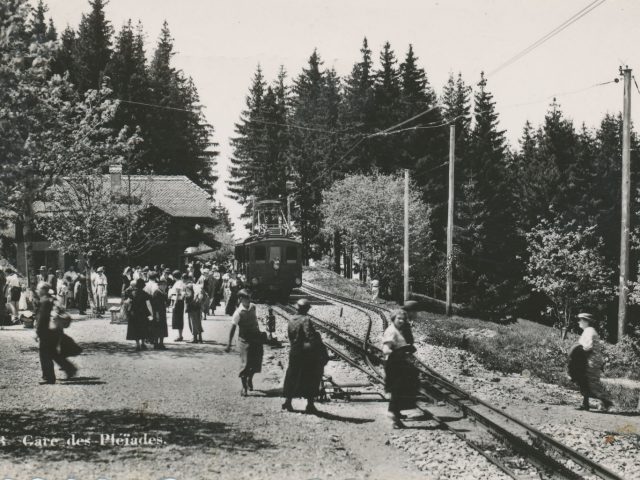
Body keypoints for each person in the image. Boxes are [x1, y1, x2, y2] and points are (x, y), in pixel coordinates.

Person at [282, 298, 328, 414]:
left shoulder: (291, 318)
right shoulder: (306, 320)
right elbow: (310, 336)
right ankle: (310, 404)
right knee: (311, 377)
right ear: (306, 309)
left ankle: (288, 401)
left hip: (294, 350)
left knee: (292, 376)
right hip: (305, 353)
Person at [382, 309, 419, 428]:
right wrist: (400, 352)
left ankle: (395, 414)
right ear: (393, 318)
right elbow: (385, 349)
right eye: (399, 318)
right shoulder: (391, 331)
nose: (402, 321)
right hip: (394, 364)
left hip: (399, 363)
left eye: (403, 319)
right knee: (397, 389)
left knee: (401, 389)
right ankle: (392, 413)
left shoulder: (398, 330)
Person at [35, 283, 77, 384]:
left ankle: (49, 377)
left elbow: (42, 319)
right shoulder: (53, 299)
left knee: (44, 354)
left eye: (38, 289)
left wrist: (37, 332)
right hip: (56, 330)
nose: (37, 291)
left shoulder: (44, 301)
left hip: (47, 331)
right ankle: (70, 369)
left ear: (44, 290)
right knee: (53, 352)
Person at [225, 289, 264, 396]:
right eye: (247, 298)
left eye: (250, 298)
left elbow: (257, 320)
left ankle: (249, 379)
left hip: (255, 338)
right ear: (241, 299)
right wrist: (229, 343)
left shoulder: (253, 307)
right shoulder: (238, 312)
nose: (249, 300)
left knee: (256, 362)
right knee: (245, 364)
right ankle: (244, 387)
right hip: (244, 340)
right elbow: (232, 328)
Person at [573, 313, 613, 411]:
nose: (579, 322)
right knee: (584, 381)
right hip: (589, 359)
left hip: (592, 360)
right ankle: (585, 404)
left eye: (580, 320)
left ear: (586, 321)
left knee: (592, 383)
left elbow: (589, 347)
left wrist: (579, 351)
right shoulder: (588, 331)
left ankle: (607, 402)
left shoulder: (589, 331)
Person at [125, 278, 153, 351]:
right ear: (143, 286)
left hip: (134, 313)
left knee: (135, 329)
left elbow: (127, 302)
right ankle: (143, 344)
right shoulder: (145, 293)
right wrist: (151, 314)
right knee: (143, 328)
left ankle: (137, 345)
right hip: (143, 313)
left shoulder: (132, 293)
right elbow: (148, 304)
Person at [151, 278, 169, 350]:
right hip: (158, 313)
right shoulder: (156, 293)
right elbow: (155, 305)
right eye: (163, 285)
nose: (165, 286)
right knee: (157, 328)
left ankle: (161, 343)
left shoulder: (162, 292)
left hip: (162, 312)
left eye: (165, 285)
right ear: (159, 285)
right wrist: (157, 314)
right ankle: (156, 344)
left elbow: (167, 303)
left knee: (162, 328)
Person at [171, 272, 186, 341]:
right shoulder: (181, 282)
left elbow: (177, 293)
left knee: (178, 318)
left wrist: (174, 303)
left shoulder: (178, 283)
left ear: (174, 277)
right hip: (180, 301)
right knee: (179, 318)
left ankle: (180, 336)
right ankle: (180, 335)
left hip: (178, 301)